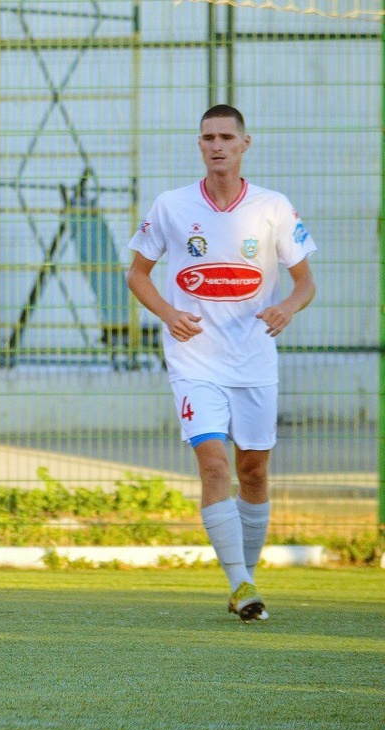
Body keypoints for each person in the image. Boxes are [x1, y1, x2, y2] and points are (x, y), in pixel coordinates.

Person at [127, 105, 316, 622]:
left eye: (226, 138)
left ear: (244, 144)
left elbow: (305, 283)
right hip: (194, 359)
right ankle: (240, 583)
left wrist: (286, 307)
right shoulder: (172, 205)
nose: (217, 146)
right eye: (208, 137)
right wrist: (169, 314)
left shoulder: (273, 207)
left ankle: (245, 577)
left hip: (253, 359)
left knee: (253, 470)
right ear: (200, 144)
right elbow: (137, 273)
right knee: (213, 463)